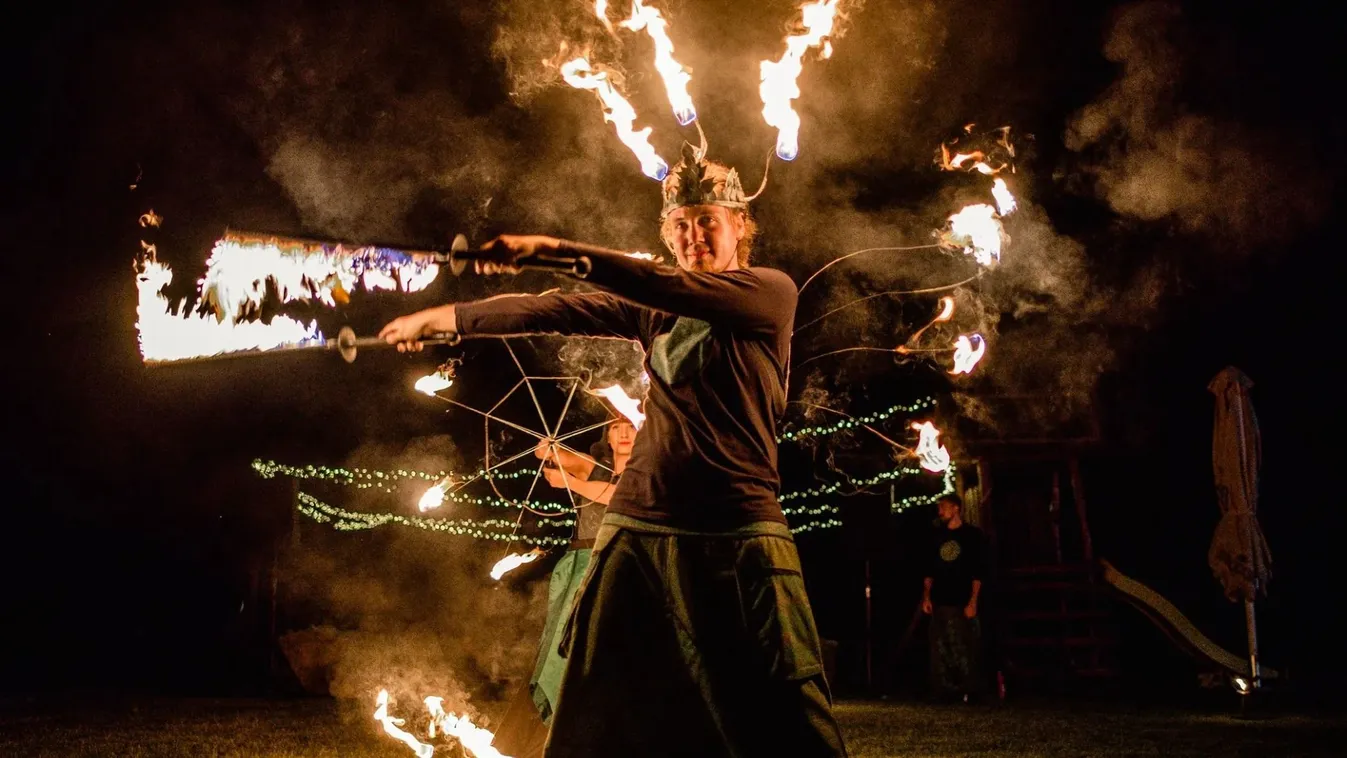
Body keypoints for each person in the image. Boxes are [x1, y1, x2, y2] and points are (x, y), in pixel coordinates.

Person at [380, 142, 847, 757]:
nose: (694, 235)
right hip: (638, 526)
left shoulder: (768, 294)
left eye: (709, 220)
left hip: (737, 528)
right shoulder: (655, 313)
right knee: (596, 701)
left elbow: (658, 283)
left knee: (786, 710)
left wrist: (550, 250)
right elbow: (557, 308)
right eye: (680, 225)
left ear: (740, 227)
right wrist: (451, 318)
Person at [492, 420, 635, 758]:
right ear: (608, 436)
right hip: (584, 563)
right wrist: (548, 447)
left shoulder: (648, 470)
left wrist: (569, 482)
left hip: (624, 563)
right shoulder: (593, 466)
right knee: (566, 651)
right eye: (617, 428)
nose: (625, 433)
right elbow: (555, 454)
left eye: (631, 426)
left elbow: (620, 496)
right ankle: (550, 737)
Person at [921, 493, 988, 703]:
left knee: (964, 646)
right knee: (941, 648)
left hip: (961, 600)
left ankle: (968, 690)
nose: (940, 511)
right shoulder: (936, 536)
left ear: (956, 508)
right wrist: (927, 597)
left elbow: (978, 571)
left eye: (944, 507)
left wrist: (973, 601)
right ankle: (944, 691)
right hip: (941, 599)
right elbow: (929, 570)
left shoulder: (971, 535)